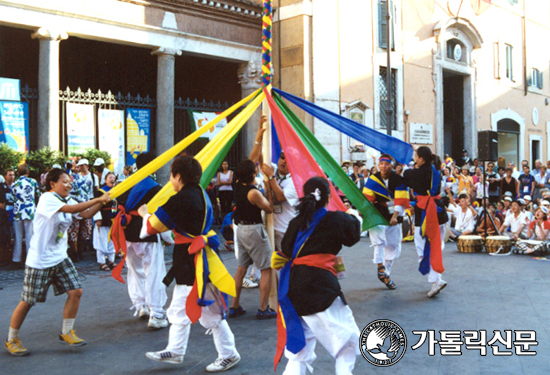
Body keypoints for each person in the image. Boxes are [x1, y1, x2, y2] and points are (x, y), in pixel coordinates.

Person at [142, 156, 241, 372]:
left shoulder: (182, 198)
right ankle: (175, 350)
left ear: (177, 176)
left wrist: (144, 216)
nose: (170, 180)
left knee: (210, 311)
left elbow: (153, 227)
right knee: (179, 307)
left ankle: (229, 353)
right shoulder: (201, 193)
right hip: (193, 259)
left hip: (195, 261)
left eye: (171, 175)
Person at [5, 168, 110, 356]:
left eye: (70, 182)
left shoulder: (68, 199)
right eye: (65, 182)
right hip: (40, 259)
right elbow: (71, 210)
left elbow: (85, 214)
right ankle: (12, 339)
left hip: (60, 256)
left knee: (76, 291)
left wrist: (103, 203)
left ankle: (66, 332)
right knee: (28, 301)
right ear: (52, 184)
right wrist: (97, 199)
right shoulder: (47, 199)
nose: (69, 185)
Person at [273, 177, 362, 374]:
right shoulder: (336, 219)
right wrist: (352, 212)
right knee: (347, 343)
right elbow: (354, 232)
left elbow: (286, 249)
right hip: (320, 287)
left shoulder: (296, 221)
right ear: (329, 197)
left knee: (299, 347)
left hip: (293, 286)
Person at [113, 153, 168, 329]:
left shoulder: (125, 184)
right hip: (147, 233)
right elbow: (160, 214)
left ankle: (141, 305)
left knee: (135, 271)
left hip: (127, 234)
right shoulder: (155, 187)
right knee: (154, 272)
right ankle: (156, 313)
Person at [230, 158, 275, 319]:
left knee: (241, 268)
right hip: (254, 230)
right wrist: (269, 187)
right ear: (253, 173)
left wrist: (258, 138)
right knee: (266, 268)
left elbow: (251, 158)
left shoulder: (236, 185)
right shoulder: (253, 192)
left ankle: (234, 306)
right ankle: (263, 308)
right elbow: (269, 208)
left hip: (241, 229)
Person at [403, 146, 448, 298]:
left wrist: (407, 167)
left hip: (427, 214)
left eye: (416, 156)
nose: (415, 158)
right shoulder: (435, 170)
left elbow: (406, 175)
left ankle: (435, 281)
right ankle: (437, 278)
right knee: (436, 246)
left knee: (424, 248)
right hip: (438, 212)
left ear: (421, 159)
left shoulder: (420, 172)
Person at [363, 154, 409, 289]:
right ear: (378, 165)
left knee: (393, 245)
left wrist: (395, 216)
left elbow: (401, 200)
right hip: (378, 212)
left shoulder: (399, 179)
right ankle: (380, 266)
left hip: (395, 212)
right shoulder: (373, 179)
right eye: (381, 164)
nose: (383, 167)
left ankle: (386, 273)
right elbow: (367, 198)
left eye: (387, 164)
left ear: (392, 166)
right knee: (379, 241)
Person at [11, 164, 40, 266]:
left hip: (18, 211)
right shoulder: (33, 182)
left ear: (17, 173)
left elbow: (13, 196)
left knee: (18, 236)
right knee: (29, 236)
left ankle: (16, 259)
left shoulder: (14, 184)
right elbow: (37, 194)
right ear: (28, 172)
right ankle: (29, 258)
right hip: (29, 211)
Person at [92, 172, 117, 271]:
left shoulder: (117, 191)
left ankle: (111, 260)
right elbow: (96, 206)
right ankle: (102, 262)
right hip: (103, 219)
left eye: (114, 178)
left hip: (113, 219)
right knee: (101, 241)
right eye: (110, 177)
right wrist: (98, 219)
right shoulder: (100, 192)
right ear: (105, 180)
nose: (112, 179)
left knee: (112, 241)